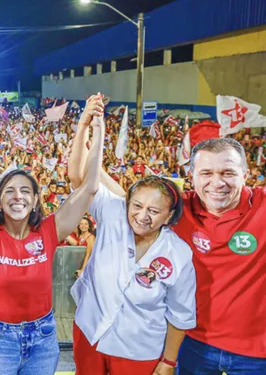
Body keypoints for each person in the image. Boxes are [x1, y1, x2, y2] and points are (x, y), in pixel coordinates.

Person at [0, 89, 105, 374]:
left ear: (36, 200)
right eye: (9, 191)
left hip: (43, 339)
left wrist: (93, 127)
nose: (18, 197)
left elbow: (90, 187)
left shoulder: (49, 230)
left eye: (26, 191)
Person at [68, 94, 196, 375]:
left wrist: (168, 361)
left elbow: (180, 314)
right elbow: (79, 179)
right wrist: (84, 125)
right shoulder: (114, 212)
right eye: (137, 205)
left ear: (169, 215)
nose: (142, 216)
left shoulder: (179, 253)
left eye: (154, 210)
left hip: (138, 350)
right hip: (91, 333)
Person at [171, 138, 266, 374]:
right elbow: (119, 198)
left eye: (228, 173)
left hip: (257, 355)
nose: (218, 183)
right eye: (206, 173)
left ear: (246, 173)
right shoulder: (176, 209)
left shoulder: (262, 205)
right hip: (193, 344)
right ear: (190, 174)